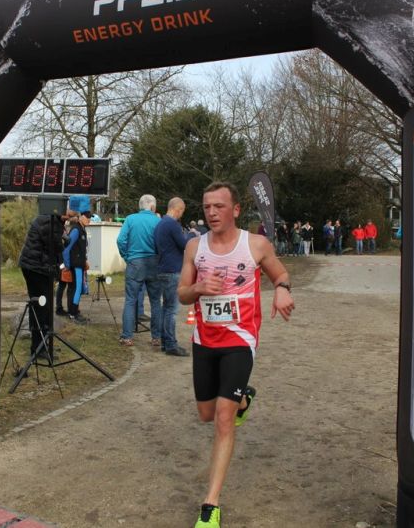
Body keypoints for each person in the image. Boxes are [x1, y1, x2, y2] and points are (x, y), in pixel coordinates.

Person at [178, 182, 294, 528]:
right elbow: (182, 293)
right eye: (207, 207)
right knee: (206, 414)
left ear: (236, 209)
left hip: (240, 339)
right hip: (204, 339)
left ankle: (210, 504)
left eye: (219, 206)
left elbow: (280, 273)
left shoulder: (255, 244)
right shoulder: (195, 247)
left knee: (223, 419)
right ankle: (244, 399)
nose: (212, 212)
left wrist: (282, 290)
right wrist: (198, 288)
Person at [18, 205, 66, 356]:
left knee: (43, 306)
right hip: (35, 269)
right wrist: (64, 241)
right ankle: (38, 348)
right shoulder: (50, 221)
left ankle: (44, 343)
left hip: (38, 267)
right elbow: (55, 246)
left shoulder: (52, 219)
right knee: (41, 307)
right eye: (73, 212)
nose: (75, 216)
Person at [116, 194, 162, 347]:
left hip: (135, 262)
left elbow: (121, 240)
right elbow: (163, 244)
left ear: (140, 206)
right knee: (155, 301)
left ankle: (127, 337)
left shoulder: (130, 219)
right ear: (153, 206)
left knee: (130, 300)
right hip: (154, 262)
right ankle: (156, 337)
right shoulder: (158, 221)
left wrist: (126, 256)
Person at [154, 197, 190, 357]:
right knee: (171, 310)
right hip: (173, 270)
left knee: (166, 308)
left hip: (162, 268)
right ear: (178, 209)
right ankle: (170, 344)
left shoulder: (159, 224)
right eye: (182, 211)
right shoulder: (173, 225)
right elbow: (184, 244)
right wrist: (191, 237)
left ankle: (164, 342)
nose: (182, 214)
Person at [63, 196, 91, 324]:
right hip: (75, 265)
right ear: (80, 216)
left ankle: (75, 312)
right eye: (87, 216)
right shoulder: (76, 230)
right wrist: (68, 265)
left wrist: (85, 261)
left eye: (90, 216)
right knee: (76, 288)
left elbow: (81, 249)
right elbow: (66, 249)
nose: (89, 219)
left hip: (79, 264)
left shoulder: (82, 230)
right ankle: (73, 314)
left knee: (78, 288)